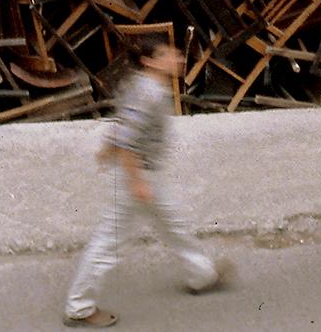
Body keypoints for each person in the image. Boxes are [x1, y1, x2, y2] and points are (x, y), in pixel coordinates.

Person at [63, 37, 229, 327]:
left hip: (143, 174)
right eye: (168, 54)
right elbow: (129, 139)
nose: (177, 58)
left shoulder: (143, 85)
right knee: (109, 242)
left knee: (173, 224)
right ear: (149, 61)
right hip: (138, 175)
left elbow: (123, 123)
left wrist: (108, 151)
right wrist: (136, 181)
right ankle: (79, 307)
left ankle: (203, 274)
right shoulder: (149, 92)